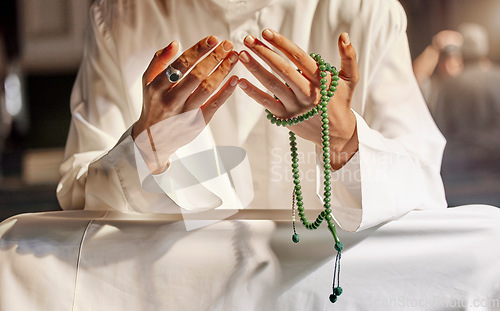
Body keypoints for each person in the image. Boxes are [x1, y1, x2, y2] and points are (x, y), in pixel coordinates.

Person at [57, 0, 446, 232]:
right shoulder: (123, 16)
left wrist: (344, 140)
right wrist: (146, 149)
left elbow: (424, 187)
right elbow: (79, 194)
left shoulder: (365, 11)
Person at [434, 23, 500, 206]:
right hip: (496, 175)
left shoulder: (449, 85)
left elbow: (439, 129)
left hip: (459, 180)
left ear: (461, 52)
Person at [412, 29, 463, 114]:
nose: (450, 64)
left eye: (455, 59)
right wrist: (436, 46)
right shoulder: (434, 86)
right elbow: (416, 76)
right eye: (446, 59)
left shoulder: (468, 84)